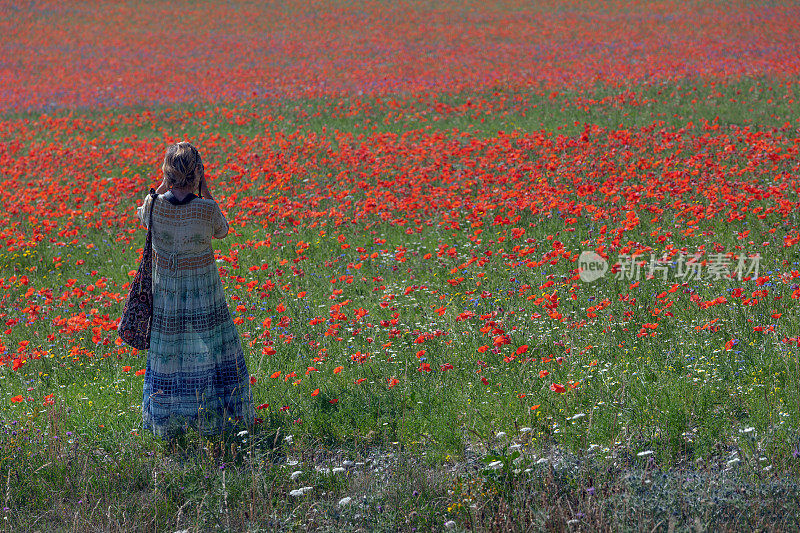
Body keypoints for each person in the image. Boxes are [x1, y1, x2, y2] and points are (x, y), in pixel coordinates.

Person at [136, 142, 254, 440]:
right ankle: (214, 413)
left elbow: (142, 216)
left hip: (168, 293)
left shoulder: (154, 205)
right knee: (211, 346)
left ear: (167, 172)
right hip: (203, 291)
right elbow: (223, 230)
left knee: (171, 349)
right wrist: (206, 189)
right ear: (198, 173)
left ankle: (170, 419)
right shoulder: (206, 209)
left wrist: (161, 186)